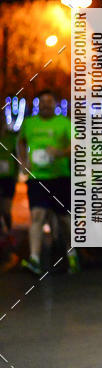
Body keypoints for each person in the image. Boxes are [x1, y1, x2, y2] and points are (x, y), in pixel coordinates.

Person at [17, 89, 79, 275]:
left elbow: (77, 143)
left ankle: (72, 253)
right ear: (38, 104)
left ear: (55, 104)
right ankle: (35, 258)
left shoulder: (64, 123)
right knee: (37, 215)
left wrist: (60, 153)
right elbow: (21, 142)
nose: (45, 104)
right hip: (37, 178)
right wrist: (24, 161)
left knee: (63, 219)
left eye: (49, 101)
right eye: (42, 101)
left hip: (60, 177)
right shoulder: (29, 123)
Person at [0, 109, 18, 265]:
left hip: (8, 179)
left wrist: (18, 174)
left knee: (5, 210)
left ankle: (9, 232)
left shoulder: (11, 138)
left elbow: (17, 156)